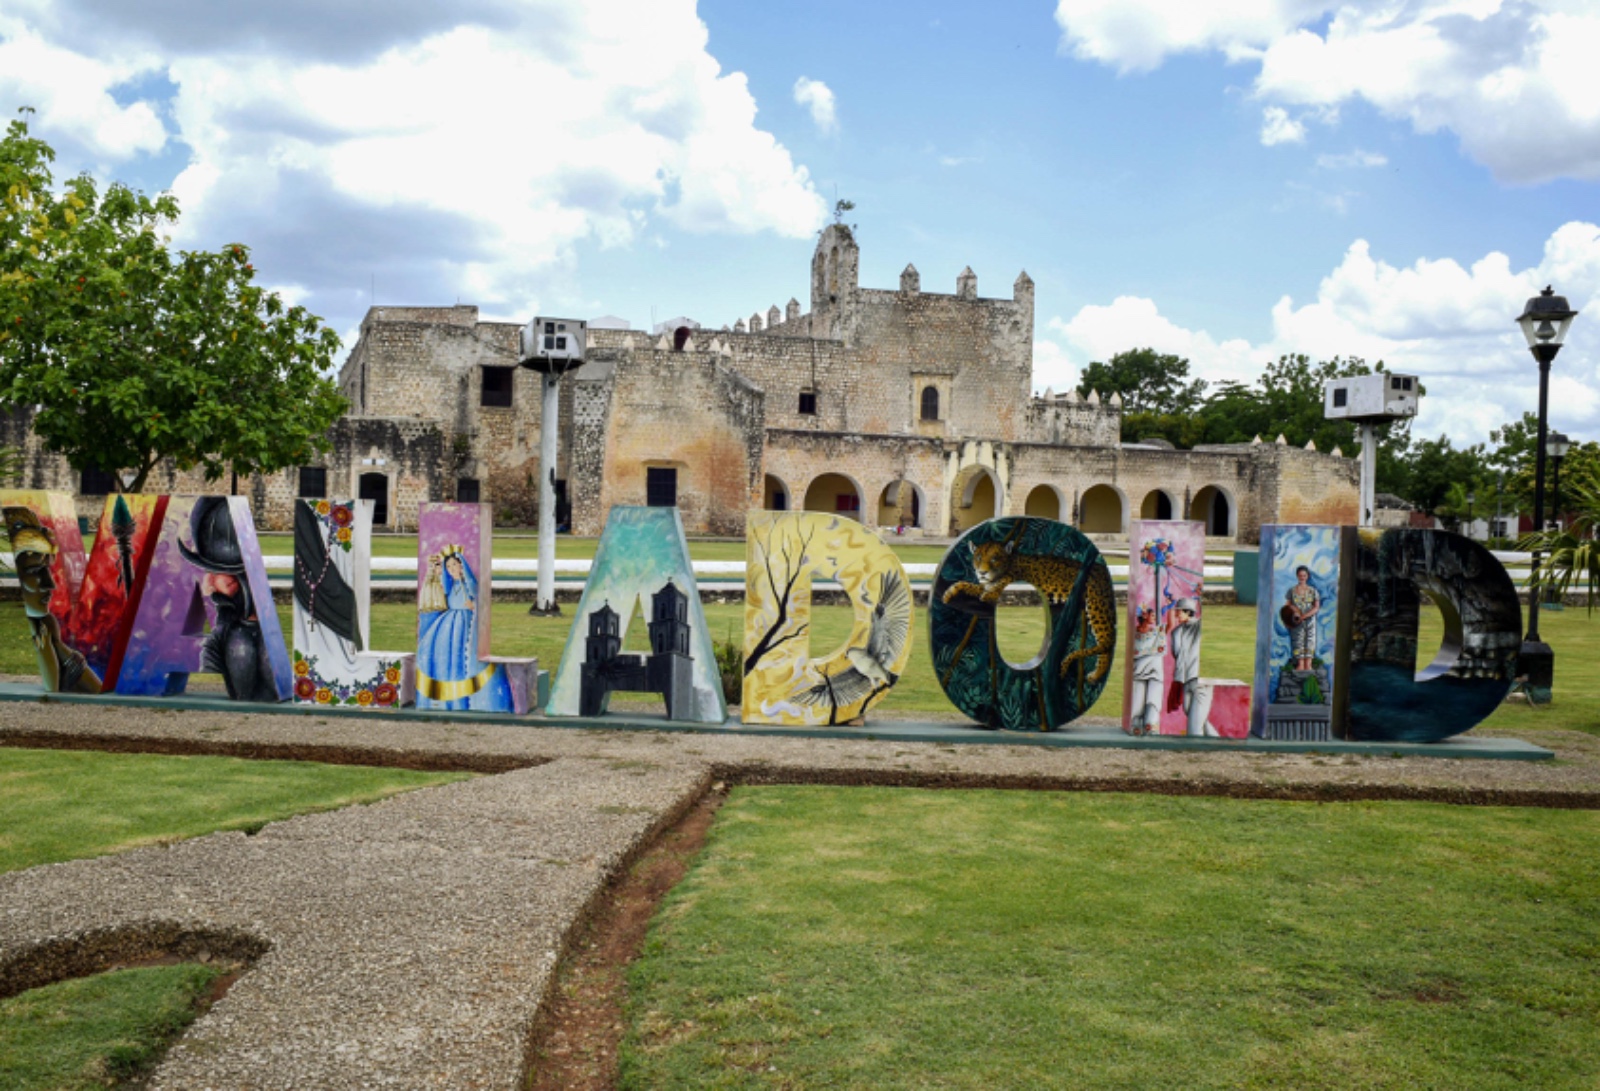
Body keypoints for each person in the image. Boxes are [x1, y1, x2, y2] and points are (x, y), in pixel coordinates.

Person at [178, 497, 282, 702]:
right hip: (236, 630)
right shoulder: (217, 588)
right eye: (215, 571)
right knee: (241, 653)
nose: (213, 579)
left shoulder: (243, 585)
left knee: (262, 669)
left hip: (252, 629)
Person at [4, 506, 101, 693]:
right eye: (35, 571)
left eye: (47, 569)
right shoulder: (42, 625)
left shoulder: (47, 622)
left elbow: (53, 687)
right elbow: (52, 687)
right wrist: (47, 648)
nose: (50, 584)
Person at [416, 545, 512, 711]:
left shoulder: (468, 584)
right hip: (448, 624)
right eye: (449, 566)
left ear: (461, 565)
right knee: (443, 654)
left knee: (461, 654)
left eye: (455, 564)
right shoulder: (450, 586)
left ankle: (462, 697)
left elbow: (478, 599)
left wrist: (473, 605)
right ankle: (443, 697)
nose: (452, 569)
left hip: (464, 622)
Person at [1167, 597, 1218, 737]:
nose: (1177, 614)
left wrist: (1200, 599)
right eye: (1176, 611)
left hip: (1199, 682)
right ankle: (1218, 741)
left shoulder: (1198, 626)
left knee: (1194, 728)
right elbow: (1176, 654)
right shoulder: (1177, 632)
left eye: (1179, 611)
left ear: (1188, 612)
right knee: (1199, 721)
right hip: (1185, 681)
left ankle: (1198, 748)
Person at [1126, 606, 1164, 735]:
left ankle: (1151, 724)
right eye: (1152, 615)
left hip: (1155, 673)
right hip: (1138, 672)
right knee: (1138, 701)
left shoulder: (1156, 632)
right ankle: (1136, 725)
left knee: (1153, 701)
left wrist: (1170, 606)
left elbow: (1169, 626)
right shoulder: (1135, 634)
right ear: (1144, 616)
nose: (1154, 618)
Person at [1284, 565, 1321, 672]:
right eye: (1300, 575)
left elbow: (1316, 607)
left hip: (1310, 621)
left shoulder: (1313, 591)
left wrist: (1305, 616)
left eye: (1304, 575)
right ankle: (1300, 664)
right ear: (1297, 576)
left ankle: (1308, 664)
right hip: (1297, 621)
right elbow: (1288, 606)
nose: (1302, 578)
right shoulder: (1292, 591)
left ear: (1307, 576)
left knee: (1310, 640)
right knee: (1297, 640)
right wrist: (1290, 617)